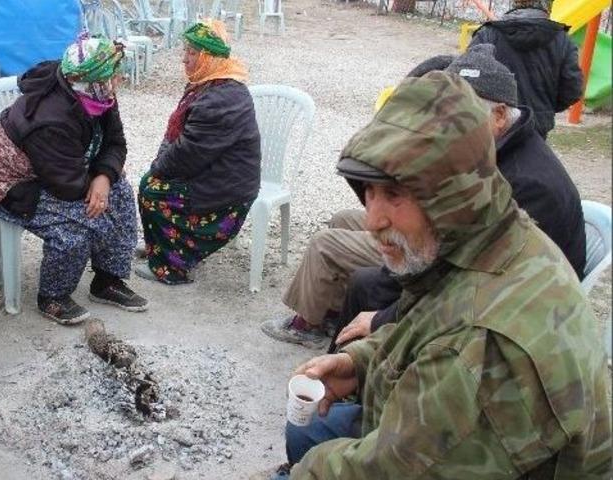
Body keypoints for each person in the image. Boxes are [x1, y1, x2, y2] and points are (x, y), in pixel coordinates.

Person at [278, 72, 611, 479]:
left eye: (394, 195)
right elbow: (430, 321)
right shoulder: (489, 238)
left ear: (452, 198)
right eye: (369, 192)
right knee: (306, 431)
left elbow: (392, 470)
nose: (372, 220)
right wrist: (360, 362)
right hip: (451, 443)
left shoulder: (483, 348)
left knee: (309, 457)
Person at [261, 44, 585, 347]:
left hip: (503, 310)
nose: (441, 126)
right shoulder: (486, 149)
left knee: (338, 255)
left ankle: (326, 338)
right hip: (456, 260)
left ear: (499, 115)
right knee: (343, 219)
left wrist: (384, 318)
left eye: (460, 116)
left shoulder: (529, 185)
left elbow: (468, 278)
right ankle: (331, 316)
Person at [0, 33, 147, 325]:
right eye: (113, 75)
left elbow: (116, 143)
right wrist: (98, 183)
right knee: (77, 226)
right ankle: (52, 296)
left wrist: (104, 177)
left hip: (62, 170)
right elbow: (67, 187)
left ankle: (107, 280)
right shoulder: (50, 118)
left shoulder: (98, 93)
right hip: (16, 185)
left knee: (120, 193)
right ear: (92, 79)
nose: (118, 80)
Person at [134, 20, 260, 285]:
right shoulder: (212, 84)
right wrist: (159, 165)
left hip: (227, 189)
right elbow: (182, 144)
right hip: (215, 174)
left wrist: (157, 169)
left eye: (191, 53)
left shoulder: (221, 98)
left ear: (208, 58)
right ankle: (161, 246)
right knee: (152, 181)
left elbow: (188, 153)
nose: (184, 59)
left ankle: (172, 268)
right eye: (186, 51)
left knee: (151, 191)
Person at [470, 0, 583, 139]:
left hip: (494, 124)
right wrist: (545, 108)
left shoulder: (488, 34)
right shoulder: (562, 40)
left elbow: (466, 79)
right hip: (536, 127)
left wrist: (488, 108)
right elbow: (572, 89)